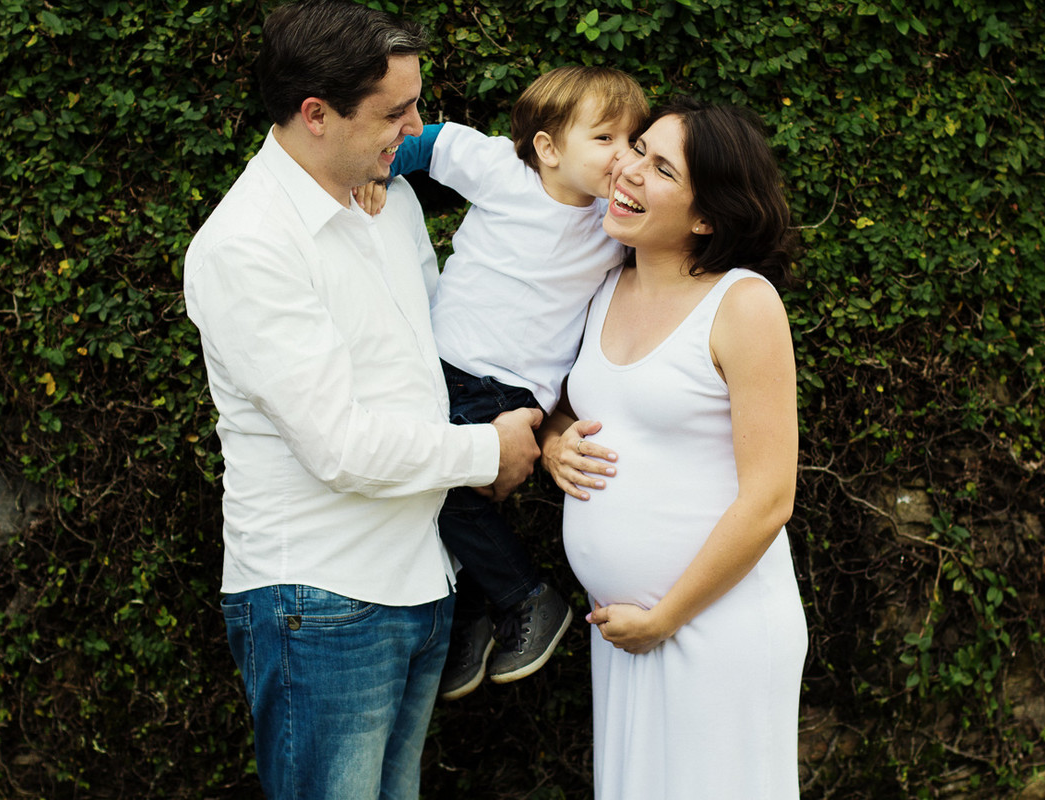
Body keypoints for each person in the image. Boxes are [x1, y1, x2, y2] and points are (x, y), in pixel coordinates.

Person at [181, 2, 542, 798]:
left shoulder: (386, 198)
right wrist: (490, 451)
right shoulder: (248, 246)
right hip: (320, 600)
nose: (416, 128)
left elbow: (442, 355)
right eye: (394, 112)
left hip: (421, 580)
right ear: (316, 114)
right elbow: (338, 445)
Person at [539, 97, 808, 799]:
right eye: (637, 148)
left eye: (660, 168)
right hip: (628, 631)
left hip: (716, 627)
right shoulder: (602, 285)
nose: (627, 170)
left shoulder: (742, 305)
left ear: (706, 216)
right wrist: (551, 441)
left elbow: (770, 497)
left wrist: (667, 616)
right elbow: (578, 407)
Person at [384, 67, 649, 700]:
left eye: (635, 140)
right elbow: (421, 142)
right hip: (443, 365)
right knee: (445, 501)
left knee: (443, 492)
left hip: (512, 391)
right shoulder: (504, 171)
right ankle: (474, 622)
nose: (625, 157)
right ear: (549, 148)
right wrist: (374, 175)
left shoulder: (614, 227)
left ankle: (527, 598)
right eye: (606, 138)